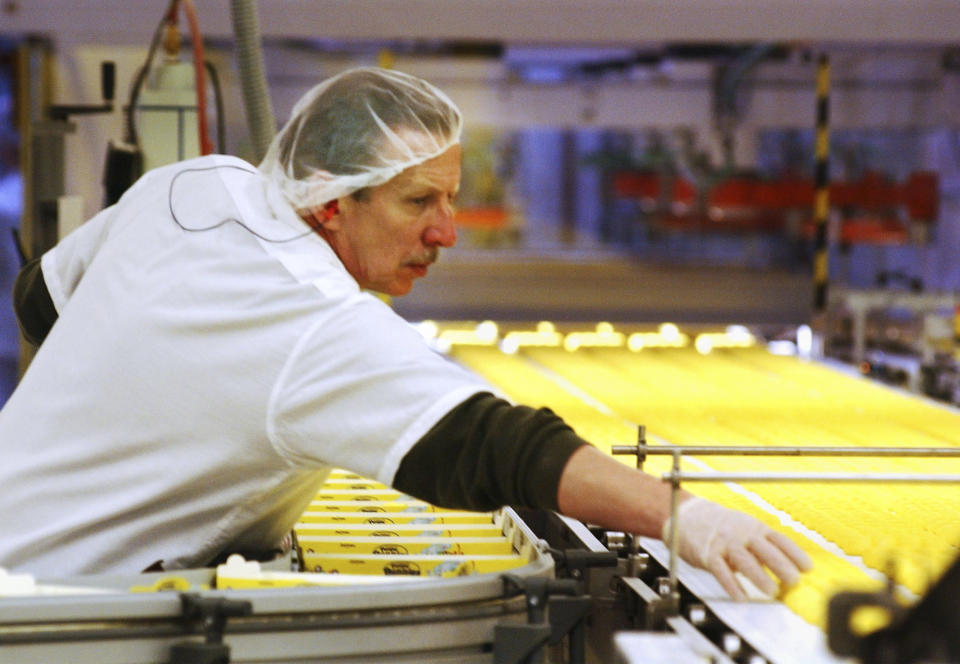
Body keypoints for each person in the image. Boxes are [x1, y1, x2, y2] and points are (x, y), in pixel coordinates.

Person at [0, 67, 810, 599]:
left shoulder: (200, 181)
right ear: (332, 202)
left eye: (451, 200)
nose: (448, 233)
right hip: (50, 615)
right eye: (419, 203)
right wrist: (682, 518)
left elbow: (39, 298)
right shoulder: (312, 321)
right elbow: (497, 446)